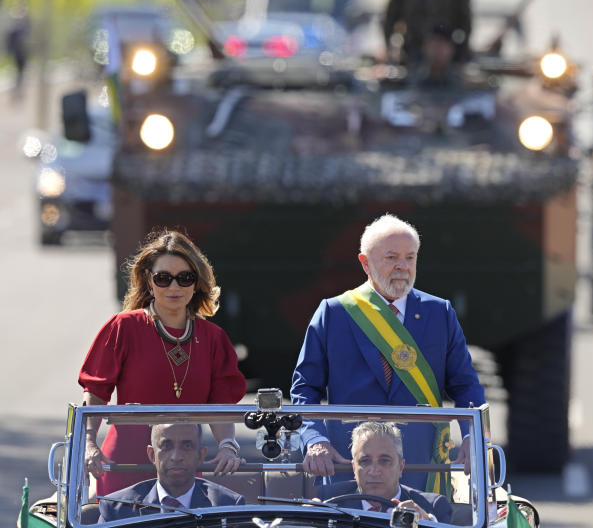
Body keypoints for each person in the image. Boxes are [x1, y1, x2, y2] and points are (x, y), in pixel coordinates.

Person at [291, 214, 485, 492]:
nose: (402, 267)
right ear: (365, 263)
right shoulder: (335, 312)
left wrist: (473, 437)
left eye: (410, 257)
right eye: (391, 257)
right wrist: (314, 438)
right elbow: (305, 388)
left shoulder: (439, 312)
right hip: (353, 465)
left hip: (421, 463)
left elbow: (465, 385)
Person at [79, 230, 247, 496]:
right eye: (163, 278)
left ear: (196, 282)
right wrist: (87, 442)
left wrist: (228, 445)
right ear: (149, 280)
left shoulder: (213, 338)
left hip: (184, 472)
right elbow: (96, 391)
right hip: (125, 468)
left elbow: (221, 404)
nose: (174, 287)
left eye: (184, 278)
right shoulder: (124, 327)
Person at [98, 424, 245, 521]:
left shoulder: (227, 506)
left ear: (201, 455)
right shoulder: (116, 510)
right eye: (166, 446)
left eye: (186, 446)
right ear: (151, 455)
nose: (176, 457)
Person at [317, 422, 452, 523]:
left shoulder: (432, 506)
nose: (374, 471)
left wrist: (426, 522)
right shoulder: (328, 500)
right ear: (354, 468)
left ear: (401, 467)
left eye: (384, 461)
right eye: (365, 461)